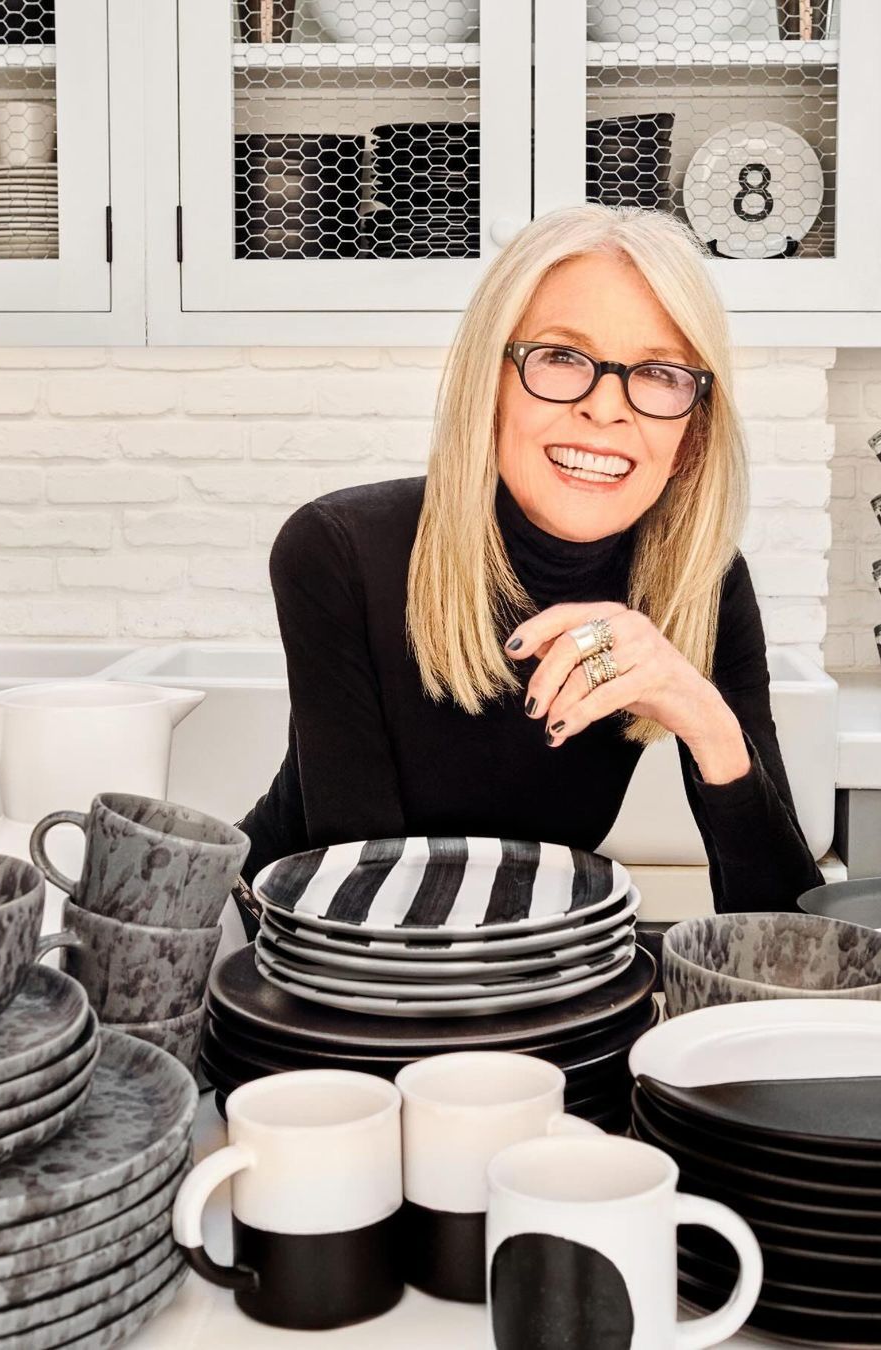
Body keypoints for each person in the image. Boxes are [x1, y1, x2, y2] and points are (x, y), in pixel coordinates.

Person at [233, 203, 822, 936]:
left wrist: (702, 715)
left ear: (692, 431)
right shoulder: (339, 550)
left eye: (660, 373)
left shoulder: (702, 585)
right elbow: (362, 901)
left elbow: (791, 938)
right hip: (283, 952)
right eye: (561, 358)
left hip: (519, 964)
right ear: (492, 386)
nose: (606, 411)